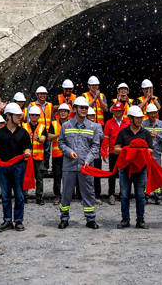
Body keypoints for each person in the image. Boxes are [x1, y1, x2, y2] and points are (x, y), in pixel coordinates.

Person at [57, 97, 103, 230]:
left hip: (86, 166)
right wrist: (69, 151)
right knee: (66, 192)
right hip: (69, 166)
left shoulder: (93, 127)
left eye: (85, 108)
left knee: (88, 192)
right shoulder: (66, 126)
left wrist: (88, 159)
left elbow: (95, 146)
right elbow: (61, 143)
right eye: (81, 108)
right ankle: (64, 218)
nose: (84, 110)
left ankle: (90, 218)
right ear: (75, 109)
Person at [0, 103, 31, 232]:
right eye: (17, 115)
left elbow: (27, 146)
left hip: (18, 167)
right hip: (3, 167)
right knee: (6, 195)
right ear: (9, 116)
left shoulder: (23, 132)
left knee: (19, 195)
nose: (20, 117)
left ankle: (18, 221)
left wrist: (27, 151)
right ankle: (7, 220)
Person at [115, 106, 156, 229]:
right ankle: (125, 219)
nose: (140, 120)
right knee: (124, 195)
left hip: (140, 169)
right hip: (125, 170)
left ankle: (140, 220)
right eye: (137, 118)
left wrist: (139, 150)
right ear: (131, 118)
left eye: (141, 118)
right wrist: (128, 150)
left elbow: (151, 150)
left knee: (140, 196)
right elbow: (116, 149)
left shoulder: (145, 133)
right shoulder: (123, 132)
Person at [103, 101, 129, 205]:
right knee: (112, 173)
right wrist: (104, 152)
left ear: (123, 111)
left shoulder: (127, 122)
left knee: (125, 173)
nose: (117, 112)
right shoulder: (109, 123)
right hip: (113, 152)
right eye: (116, 110)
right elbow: (105, 138)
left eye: (119, 110)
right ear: (113, 111)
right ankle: (111, 193)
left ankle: (124, 192)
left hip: (125, 152)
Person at [142, 103, 162, 205]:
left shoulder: (161, 124)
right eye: (151, 113)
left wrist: (158, 136)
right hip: (146, 154)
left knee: (156, 175)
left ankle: (158, 196)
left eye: (154, 113)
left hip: (157, 154)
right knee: (145, 175)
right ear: (147, 114)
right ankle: (146, 195)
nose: (153, 115)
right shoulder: (143, 124)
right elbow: (140, 137)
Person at [22, 105, 47, 205]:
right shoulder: (23, 127)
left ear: (39, 116)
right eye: (32, 115)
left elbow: (43, 140)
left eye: (36, 115)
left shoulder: (42, 127)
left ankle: (39, 196)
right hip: (26, 156)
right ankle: (24, 196)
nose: (34, 117)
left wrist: (37, 138)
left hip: (38, 156)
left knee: (39, 177)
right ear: (29, 115)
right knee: (25, 176)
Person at [48, 103, 71, 205]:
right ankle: (57, 195)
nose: (63, 113)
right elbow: (49, 137)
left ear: (68, 113)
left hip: (68, 154)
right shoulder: (53, 124)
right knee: (57, 176)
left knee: (68, 176)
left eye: (65, 111)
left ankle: (68, 195)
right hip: (57, 154)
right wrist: (60, 134)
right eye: (61, 111)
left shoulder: (72, 124)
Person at [29, 86, 54, 171]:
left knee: (47, 150)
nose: (43, 95)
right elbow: (29, 119)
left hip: (47, 131)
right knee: (36, 150)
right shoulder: (32, 105)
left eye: (44, 94)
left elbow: (52, 119)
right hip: (37, 131)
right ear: (37, 95)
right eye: (41, 94)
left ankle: (45, 167)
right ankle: (35, 166)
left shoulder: (49, 105)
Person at [86, 107, 104, 202]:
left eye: (93, 115)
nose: (92, 117)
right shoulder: (83, 125)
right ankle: (86, 195)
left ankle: (97, 195)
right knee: (87, 176)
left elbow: (101, 136)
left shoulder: (98, 125)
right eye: (90, 115)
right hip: (86, 155)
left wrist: (91, 133)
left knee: (96, 176)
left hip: (96, 155)